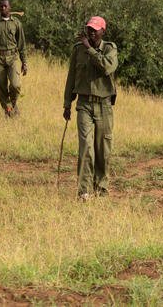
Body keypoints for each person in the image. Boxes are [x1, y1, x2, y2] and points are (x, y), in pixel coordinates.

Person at [62, 15, 118, 201]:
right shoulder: (78, 49)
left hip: (104, 105)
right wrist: (67, 103)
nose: (91, 32)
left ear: (103, 31)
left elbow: (107, 67)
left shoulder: (110, 49)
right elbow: (72, 77)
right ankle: (84, 191)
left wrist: (90, 49)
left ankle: (101, 188)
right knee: (85, 147)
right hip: (84, 104)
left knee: (103, 148)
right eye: (89, 29)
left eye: (95, 30)